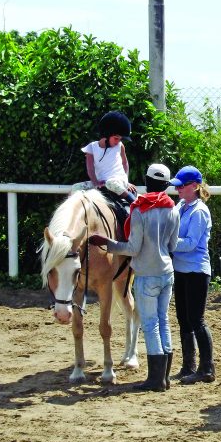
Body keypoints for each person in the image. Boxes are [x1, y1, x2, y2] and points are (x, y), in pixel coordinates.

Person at [88, 163, 179, 392]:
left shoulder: (140, 210)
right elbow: (172, 245)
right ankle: (164, 377)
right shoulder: (173, 209)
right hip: (167, 272)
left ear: (146, 182)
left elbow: (132, 248)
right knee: (163, 320)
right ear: (167, 186)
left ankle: (156, 379)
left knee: (150, 325)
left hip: (147, 274)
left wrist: (106, 244)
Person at [168, 166, 216, 384]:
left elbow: (190, 243)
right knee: (183, 319)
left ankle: (207, 368)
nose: (178, 189)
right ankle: (189, 366)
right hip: (182, 269)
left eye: (182, 186)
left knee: (196, 319)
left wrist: (168, 243)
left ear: (195, 187)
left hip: (196, 270)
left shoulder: (199, 211)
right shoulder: (182, 206)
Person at [73, 111, 137, 203]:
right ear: (106, 134)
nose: (118, 141)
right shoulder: (91, 147)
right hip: (101, 182)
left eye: (120, 139)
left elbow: (125, 163)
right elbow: (90, 168)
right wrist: (95, 182)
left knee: (111, 183)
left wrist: (126, 182)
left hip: (117, 180)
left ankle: (134, 203)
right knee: (75, 187)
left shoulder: (120, 146)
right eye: (116, 138)